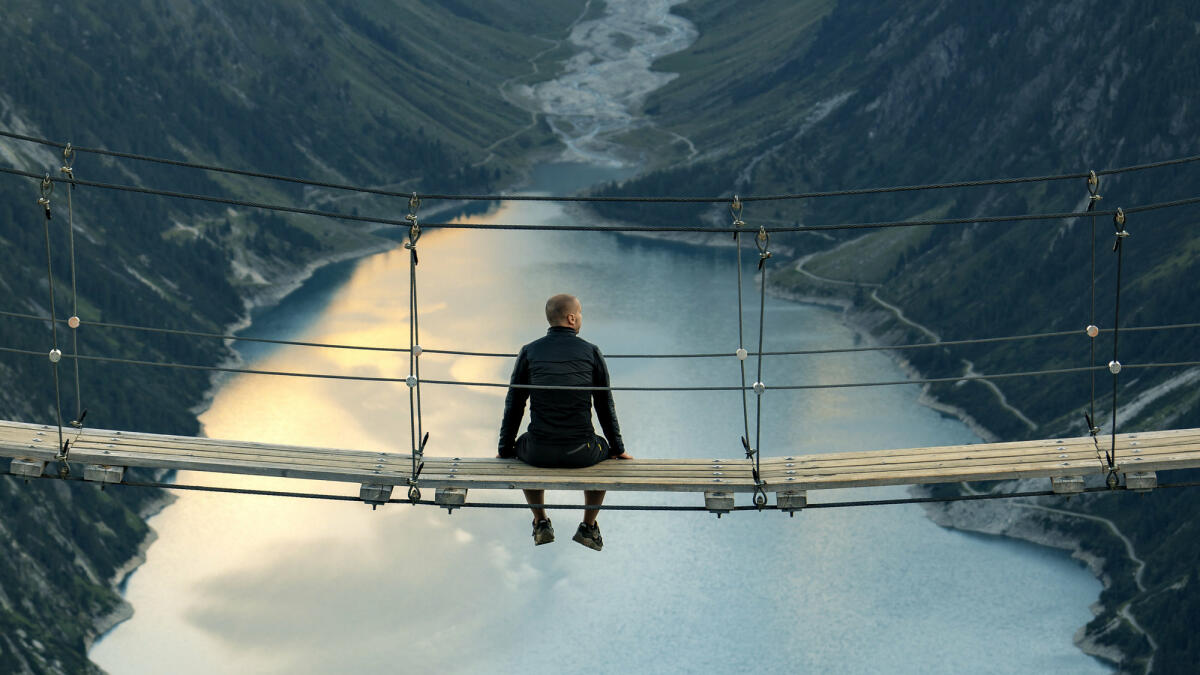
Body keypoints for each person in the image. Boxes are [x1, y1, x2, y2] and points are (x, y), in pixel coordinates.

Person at [498, 293, 633, 550]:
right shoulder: (592, 352)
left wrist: (505, 449)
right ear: (572, 318)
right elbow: (605, 405)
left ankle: (540, 521)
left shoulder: (529, 351)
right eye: (580, 313)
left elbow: (514, 404)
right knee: (604, 450)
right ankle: (589, 527)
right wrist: (618, 449)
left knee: (523, 445)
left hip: (537, 452)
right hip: (581, 452)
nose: (581, 318)